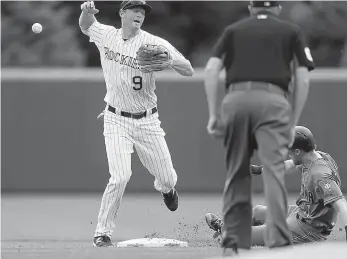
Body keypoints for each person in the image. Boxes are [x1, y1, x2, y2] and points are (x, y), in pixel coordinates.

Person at [79, 0, 194, 247]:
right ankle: (102, 232)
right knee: (120, 177)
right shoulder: (107, 34)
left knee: (168, 178)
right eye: (135, 10)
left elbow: (189, 69)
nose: (140, 15)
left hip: (147, 122)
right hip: (114, 118)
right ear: (122, 13)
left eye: (143, 12)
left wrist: (169, 62)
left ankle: (167, 190)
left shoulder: (154, 43)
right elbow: (87, 26)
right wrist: (85, 12)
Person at [203, 0, 315, 255]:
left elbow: (211, 70)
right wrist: (292, 119)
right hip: (273, 101)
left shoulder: (233, 30)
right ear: (277, 8)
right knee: (274, 173)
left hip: (236, 99)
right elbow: (303, 79)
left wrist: (213, 113)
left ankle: (231, 241)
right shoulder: (290, 31)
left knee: (237, 171)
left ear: (251, 7)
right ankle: (278, 243)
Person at [205, 126, 347, 246]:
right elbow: (289, 164)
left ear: (298, 151)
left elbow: (341, 204)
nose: (289, 154)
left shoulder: (320, 175)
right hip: (302, 213)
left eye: (290, 150)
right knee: (257, 212)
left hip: (307, 230)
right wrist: (259, 170)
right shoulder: (316, 156)